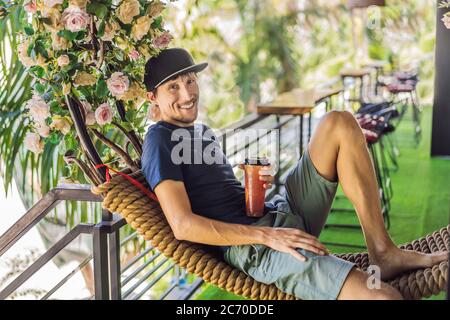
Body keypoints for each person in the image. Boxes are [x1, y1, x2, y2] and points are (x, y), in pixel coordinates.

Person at [141, 48, 447, 300]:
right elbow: (183, 225)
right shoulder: (159, 140)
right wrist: (268, 235)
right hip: (256, 248)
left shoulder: (200, 132)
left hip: (275, 214)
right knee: (382, 297)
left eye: (190, 81)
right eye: (173, 87)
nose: (187, 93)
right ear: (152, 97)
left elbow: (218, 195)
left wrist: (257, 190)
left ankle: (382, 250)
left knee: (338, 122)